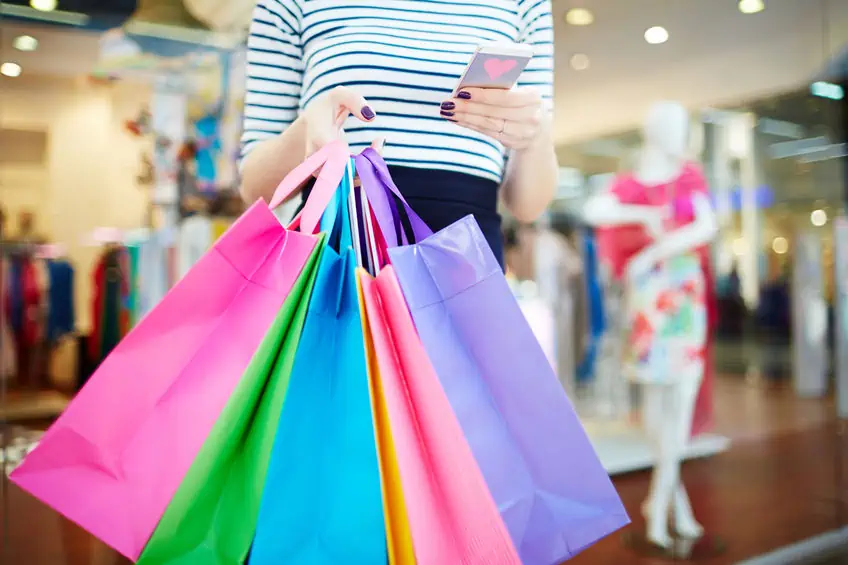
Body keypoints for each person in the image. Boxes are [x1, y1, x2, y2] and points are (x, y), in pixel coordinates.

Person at [238, 0, 558, 266]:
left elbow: (528, 205)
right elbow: (255, 187)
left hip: (465, 263)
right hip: (339, 252)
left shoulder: (524, 4)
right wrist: (308, 130)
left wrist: (534, 135)